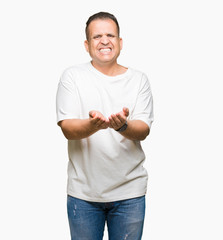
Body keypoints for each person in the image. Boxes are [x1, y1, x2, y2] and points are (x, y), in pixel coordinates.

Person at [56, 12, 154, 240]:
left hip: (130, 193)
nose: (104, 40)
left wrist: (122, 127)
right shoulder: (72, 77)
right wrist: (94, 125)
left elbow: (143, 129)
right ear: (87, 44)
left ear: (120, 42)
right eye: (97, 36)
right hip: (83, 194)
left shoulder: (139, 79)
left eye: (110, 35)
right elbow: (67, 128)